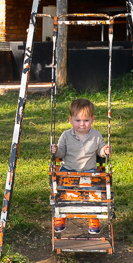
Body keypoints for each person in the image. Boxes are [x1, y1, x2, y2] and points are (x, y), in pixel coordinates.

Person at [50, 98, 111, 235]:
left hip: (89, 171)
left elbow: (100, 151)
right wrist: (55, 151)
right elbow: (61, 152)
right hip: (68, 170)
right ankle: (61, 216)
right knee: (62, 190)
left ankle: (93, 217)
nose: (82, 124)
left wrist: (105, 151)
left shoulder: (96, 135)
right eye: (78, 120)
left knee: (94, 192)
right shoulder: (65, 135)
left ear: (93, 119)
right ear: (70, 119)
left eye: (86, 120)